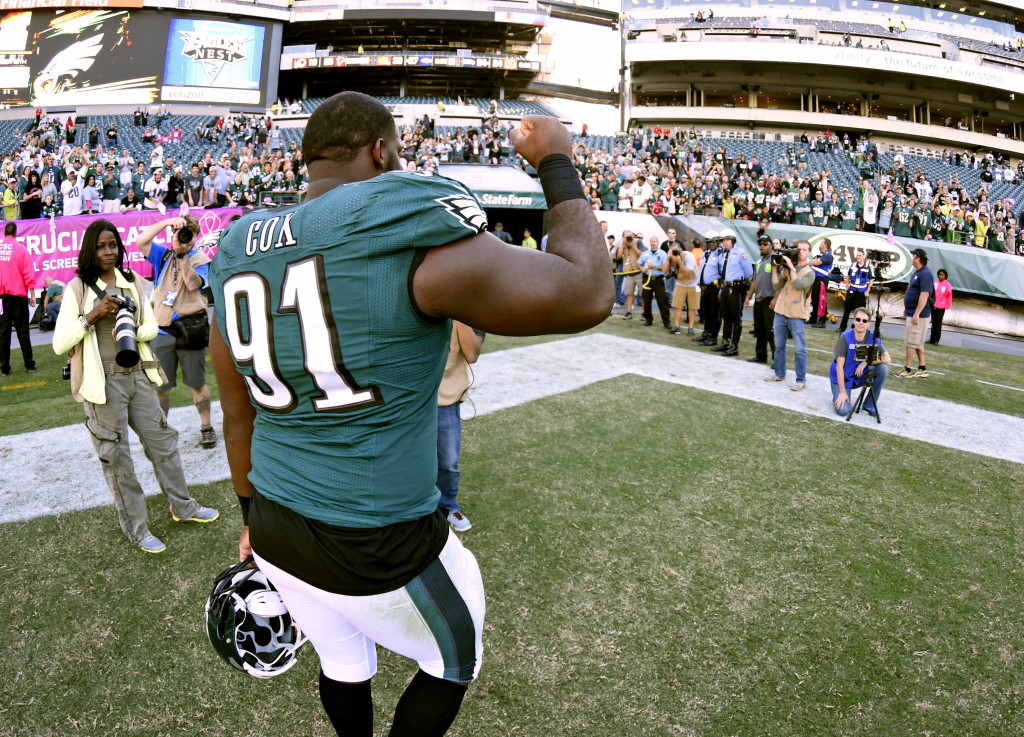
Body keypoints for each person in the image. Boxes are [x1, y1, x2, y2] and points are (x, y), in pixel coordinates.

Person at [208, 94, 611, 737]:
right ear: (381, 152)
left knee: (343, 662)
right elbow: (587, 289)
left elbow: (237, 414)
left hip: (276, 522)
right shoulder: (395, 222)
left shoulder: (235, 247)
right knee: (455, 654)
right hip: (376, 538)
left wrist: (250, 516)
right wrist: (557, 160)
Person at [51, 220, 218, 554]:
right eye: (101, 246)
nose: (108, 251)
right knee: (117, 458)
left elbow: (152, 327)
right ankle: (137, 528)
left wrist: (135, 326)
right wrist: (94, 316)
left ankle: (182, 506)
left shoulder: (131, 280)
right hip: (102, 385)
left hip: (138, 375)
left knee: (164, 443)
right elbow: (59, 343)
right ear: (90, 249)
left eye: (112, 244)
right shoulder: (78, 288)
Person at [136, 215, 217, 448]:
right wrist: (167, 222)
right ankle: (162, 430)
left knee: (197, 383)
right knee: (161, 387)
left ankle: (206, 427)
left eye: (188, 235)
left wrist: (183, 257)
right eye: (180, 233)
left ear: (195, 238)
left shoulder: (201, 259)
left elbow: (193, 284)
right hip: (162, 329)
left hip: (191, 328)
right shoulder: (162, 254)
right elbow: (141, 241)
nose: (183, 239)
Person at [437, 322, 484, 532]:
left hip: (447, 399)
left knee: (448, 462)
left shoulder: (466, 310)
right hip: (413, 398)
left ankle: (448, 506)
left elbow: (472, 354)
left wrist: (458, 313)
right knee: (409, 459)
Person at [765, 239, 814, 391]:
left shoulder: (810, 273)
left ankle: (801, 380)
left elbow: (798, 284)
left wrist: (791, 267)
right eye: (799, 249)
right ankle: (779, 374)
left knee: (800, 349)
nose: (801, 252)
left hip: (797, 314)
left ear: (809, 252)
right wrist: (775, 269)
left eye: (804, 250)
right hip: (781, 311)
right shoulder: (787, 269)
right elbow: (776, 285)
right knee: (779, 346)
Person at [829, 307, 891, 417]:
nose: (861, 323)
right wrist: (842, 393)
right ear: (854, 321)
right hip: (843, 376)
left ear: (868, 324)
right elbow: (839, 367)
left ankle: (869, 404)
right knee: (843, 411)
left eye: (864, 321)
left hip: (858, 376)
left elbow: (887, 359)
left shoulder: (873, 338)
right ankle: (838, 392)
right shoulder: (845, 337)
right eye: (858, 319)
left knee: (883, 369)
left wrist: (865, 362)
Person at [0, 222, 37, 375]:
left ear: (4, 233)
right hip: (19, 296)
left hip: (2, 297)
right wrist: (33, 294)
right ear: (16, 233)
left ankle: (4, 368)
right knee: (23, 331)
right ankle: (29, 364)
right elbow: (28, 273)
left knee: (3, 333)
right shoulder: (21, 249)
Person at [709, 226, 752, 356]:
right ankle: (725, 342)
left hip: (735, 288)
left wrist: (742, 284)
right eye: (723, 240)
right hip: (725, 287)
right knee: (726, 317)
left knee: (735, 318)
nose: (725, 242)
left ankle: (734, 346)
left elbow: (749, 272)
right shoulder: (723, 255)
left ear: (733, 240)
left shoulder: (740, 253)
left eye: (728, 239)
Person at [896, 248, 934, 378]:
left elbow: (924, 295)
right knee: (918, 342)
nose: (912, 258)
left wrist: (917, 313)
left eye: (913, 256)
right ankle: (922, 368)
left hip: (918, 315)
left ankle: (907, 369)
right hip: (912, 312)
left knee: (911, 342)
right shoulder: (918, 272)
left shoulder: (925, 273)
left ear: (917, 257)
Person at [742, 235, 776, 364]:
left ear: (771, 246)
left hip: (769, 299)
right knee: (759, 329)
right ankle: (761, 355)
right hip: (759, 300)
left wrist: (775, 299)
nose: (762, 246)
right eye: (760, 244)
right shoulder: (759, 261)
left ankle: (776, 358)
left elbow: (780, 282)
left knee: (771, 330)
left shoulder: (775, 260)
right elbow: (754, 281)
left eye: (765, 243)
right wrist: (748, 297)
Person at [695, 230, 722, 345]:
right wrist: (699, 282)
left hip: (714, 287)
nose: (712, 244)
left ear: (718, 242)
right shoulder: (706, 253)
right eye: (709, 242)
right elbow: (701, 268)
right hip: (705, 287)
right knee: (706, 312)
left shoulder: (721, 253)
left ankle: (713, 337)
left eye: (714, 242)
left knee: (714, 313)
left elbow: (722, 272)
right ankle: (706, 333)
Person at [666, 239, 698, 335]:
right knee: (677, 306)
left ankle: (691, 327)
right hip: (680, 282)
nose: (675, 253)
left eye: (676, 251)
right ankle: (677, 326)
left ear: (681, 249)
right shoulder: (671, 256)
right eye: (673, 251)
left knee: (692, 307)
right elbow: (664, 270)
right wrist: (668, 258)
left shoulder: (688, 256)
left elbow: (688, 273)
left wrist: (679, 262)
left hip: (692, 283)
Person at [638, 234, 670, 328]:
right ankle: (648, 319)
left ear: (658, 242)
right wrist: (641, 268)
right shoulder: (645, 253)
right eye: (651, 241)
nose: (653, 243)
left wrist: (655, 267)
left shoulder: (663, 254)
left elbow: (665, 268)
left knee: (662, 301)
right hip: (647, 279)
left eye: (654, 241)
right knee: (646, 300)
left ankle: (666, 321)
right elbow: (639, 263)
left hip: (658, 280)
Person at [836, 250, 872, 332]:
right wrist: (847, 286)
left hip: (861, 291)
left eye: (860, 255)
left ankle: (856, 327)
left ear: (863, 257)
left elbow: (871, 279)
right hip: (852, 290)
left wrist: (867, 290)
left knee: (860, 311)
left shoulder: (867, 267)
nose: (858, 257)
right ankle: (842, 327)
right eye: (857, 255)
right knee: (846, 309)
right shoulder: (853, 265)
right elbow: (848, 275)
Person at [807, 238, 833, 327]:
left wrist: (813, 262)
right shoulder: (821, 254)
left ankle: (822, 321)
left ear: (826, 245)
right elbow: (811, 262)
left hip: (822, 280)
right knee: (814, 299)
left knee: (821, 299)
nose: (820, 244)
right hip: (816, 279)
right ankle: (813, 318)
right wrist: (813, 262)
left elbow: (816, 262)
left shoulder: (828, 255)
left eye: (822, 242)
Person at [617, 232, 643, 319]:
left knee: (643, 293)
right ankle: (629, 312)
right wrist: (622, 243)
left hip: (639, 271)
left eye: (629, 237)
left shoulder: (638, 242)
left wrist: (632, 246)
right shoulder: (623, 244)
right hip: (629, 273)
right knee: (629, 293)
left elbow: (641, 254)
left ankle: (645, 313)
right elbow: (619, 256)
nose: (627, 239)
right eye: (625, 237)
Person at [929, 268, 952, 345]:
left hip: (941, 306)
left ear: (945, 276)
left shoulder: (948, 284)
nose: (940, 276)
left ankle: (936, 340)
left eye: (942, 275)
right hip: (934, 305)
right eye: (939, 275)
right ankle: (931, 338)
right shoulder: (935, 283)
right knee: (933, 322)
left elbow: (949, 294)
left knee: (938, 323)